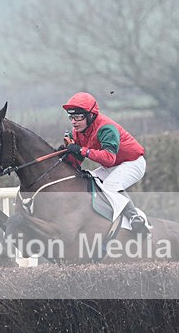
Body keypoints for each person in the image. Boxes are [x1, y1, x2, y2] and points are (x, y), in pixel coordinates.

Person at [61, 92, 152, 234]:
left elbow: (109, 158)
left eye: (78, 117)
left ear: (91, 115)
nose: (73, 121)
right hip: (113, 165)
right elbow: (75, 164)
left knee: (111, 185)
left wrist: (80, 150)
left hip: (133, 163)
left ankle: (135, 218)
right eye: (71, 117)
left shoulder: (106, 128)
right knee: (88, 180)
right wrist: (66, 154)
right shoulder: (76, 132)